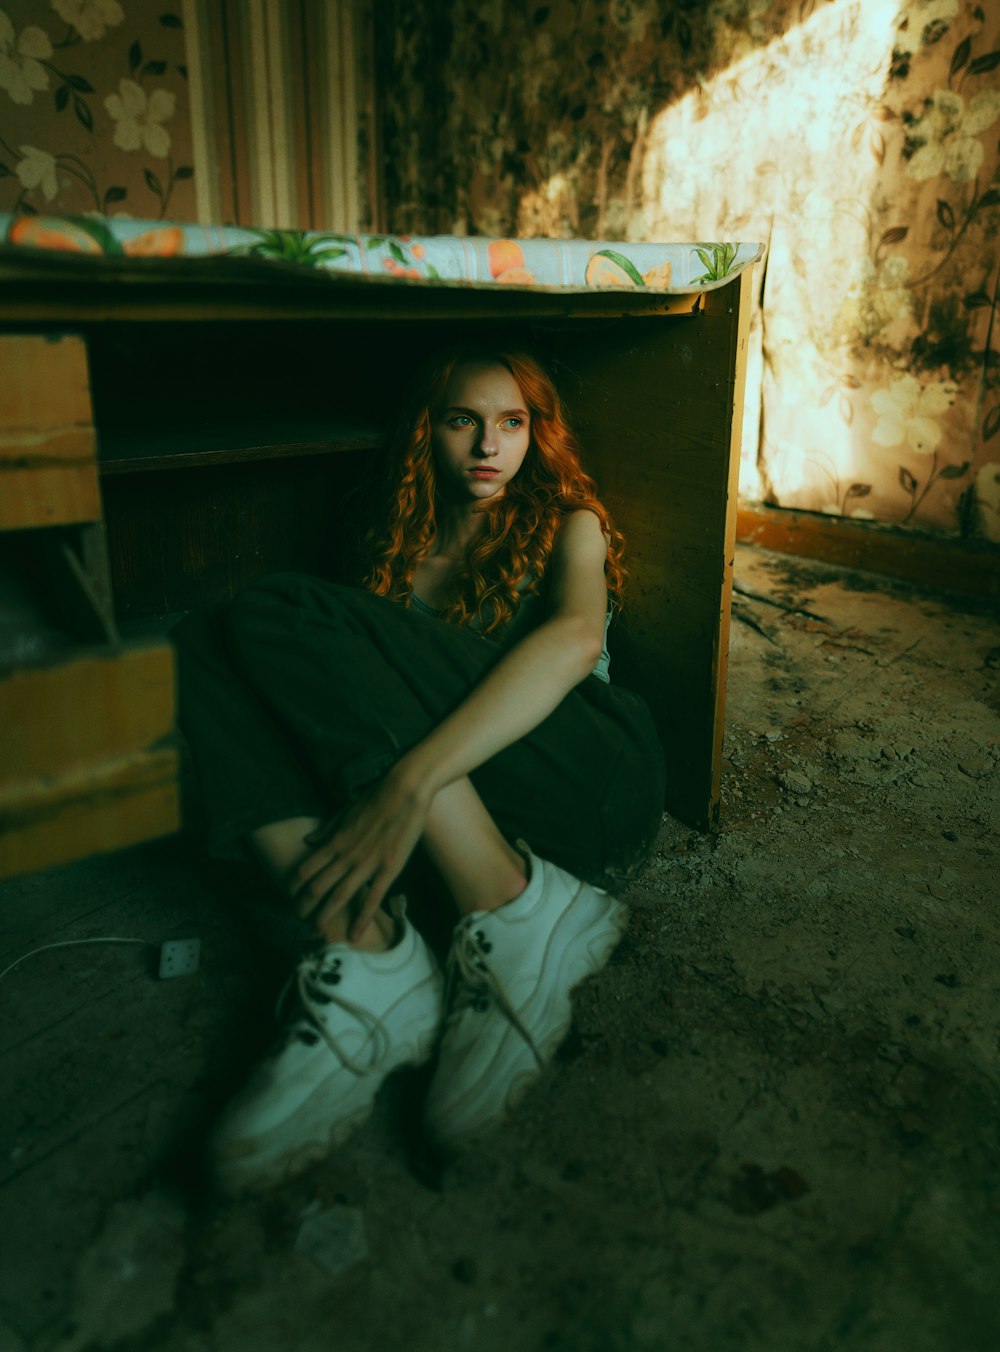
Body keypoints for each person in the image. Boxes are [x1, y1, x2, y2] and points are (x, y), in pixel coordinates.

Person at [171, 348, 665, 1194]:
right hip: (493, 813)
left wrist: (406, 784)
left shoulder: (565, 521)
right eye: (462, 419)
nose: (488, 445)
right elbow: (345, 713)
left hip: (595, 777)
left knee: (281, 607)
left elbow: (578, 640)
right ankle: (363, 946)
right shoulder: (390, 542)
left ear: (536, 435)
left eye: (512, 423)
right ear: (424, 431)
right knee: (198, 642)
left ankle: (514, 909)